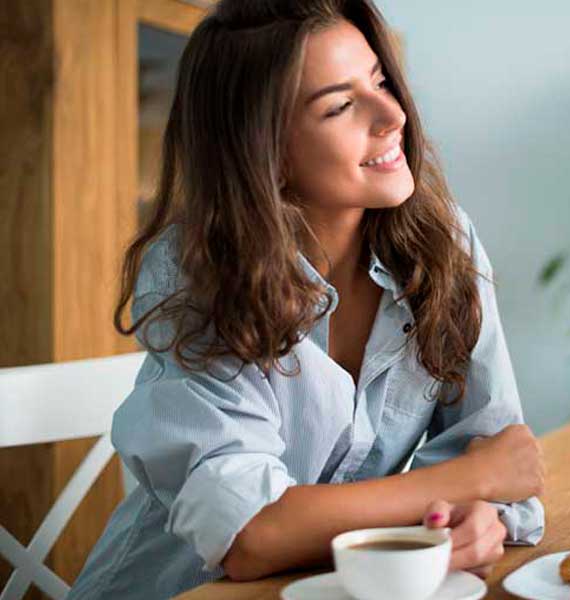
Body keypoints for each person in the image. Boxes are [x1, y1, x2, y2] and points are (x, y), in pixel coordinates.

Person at [68, 1, 545, 598]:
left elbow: (506, 465)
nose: (392, 113)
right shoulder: (196, 270)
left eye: (379, 80)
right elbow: (249, 536)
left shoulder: (444, 244)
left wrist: (476, 517)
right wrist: (465, 482)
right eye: (341, 105)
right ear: (263, 149)